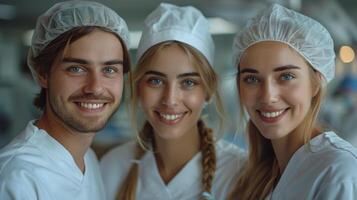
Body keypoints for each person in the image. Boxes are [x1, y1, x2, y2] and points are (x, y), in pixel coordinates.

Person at [100, 3, 246, 200]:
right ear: (138, 87)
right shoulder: (113, 167)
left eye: (188, 82)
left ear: (210, 89)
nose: (170, 99)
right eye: (156, 81)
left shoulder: (239, 173)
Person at [0, 1, 130, 199]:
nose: (95, 87)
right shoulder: (17, 178)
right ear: (43, 74)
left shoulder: (88, 159)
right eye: (76, 69)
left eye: (109, 70)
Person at [229, 3, 357, 200]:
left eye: (286, 76)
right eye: (252, 79)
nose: (268, 96)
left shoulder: (338, 171)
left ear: (316, 82)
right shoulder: (256, 175)